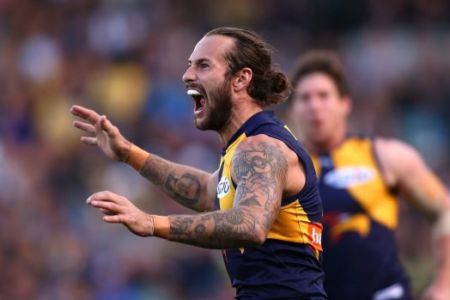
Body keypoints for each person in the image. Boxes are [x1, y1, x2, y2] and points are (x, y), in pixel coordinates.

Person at [71, 27, 327, 299]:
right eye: (189, 65)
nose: (187, 75)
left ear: (241, 79)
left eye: (203, 65)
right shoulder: (243, 147)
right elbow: (207, 190)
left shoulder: (261, 147)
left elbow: (250, 225)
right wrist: (128, 153)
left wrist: (152, 223)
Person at [289, 50, 450, 300]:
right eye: (304, 98)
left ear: (345, 104)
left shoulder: (386, 157)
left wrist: (444, 285)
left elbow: (444, 211)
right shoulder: (282, 169)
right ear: (294, 110)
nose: (314, 106)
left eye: (323, 96)